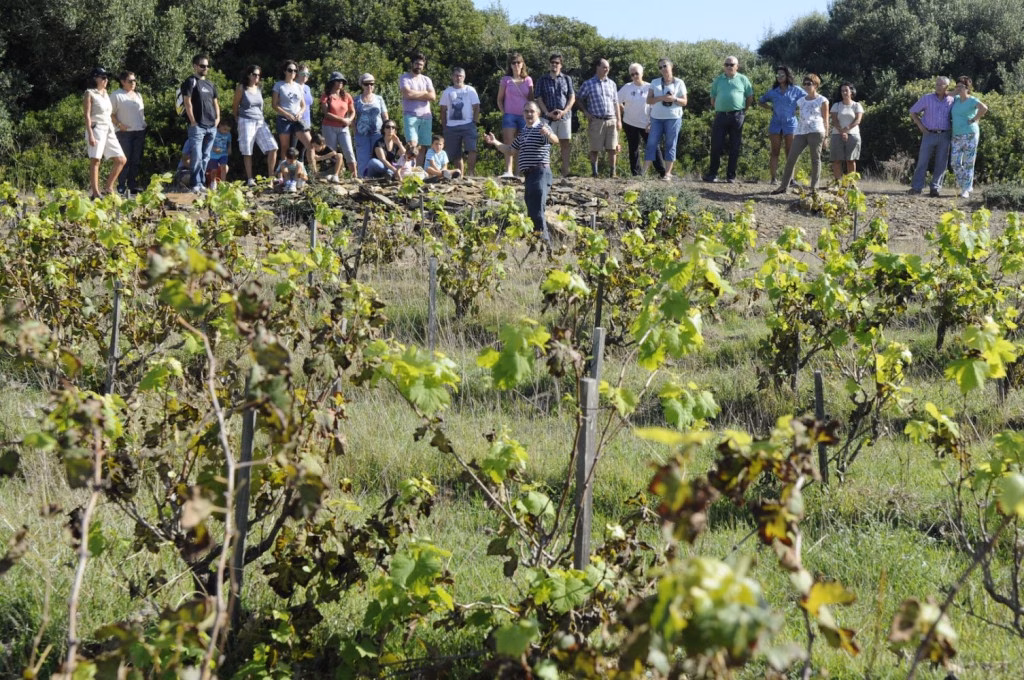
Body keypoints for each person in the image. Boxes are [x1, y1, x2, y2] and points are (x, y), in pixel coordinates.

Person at [484, 103, 559, 242]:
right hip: (530, 175)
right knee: (531, 210)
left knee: (536, 210)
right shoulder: (525, 131)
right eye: (526, 111)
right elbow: (511, 150)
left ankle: (544, 245)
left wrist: (548, 134)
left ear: (538, 113)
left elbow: (555, 140)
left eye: (532, 111)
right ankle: (537, 242)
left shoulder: (541, 127)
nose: (529, 114)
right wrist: (495, 142)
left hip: (540, 172)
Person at [772, 73, 829, 194]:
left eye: (809, 84)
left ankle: (814, 188)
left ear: (816, 85)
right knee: (791, 158)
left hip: (816, 131)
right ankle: (783, 186)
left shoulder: (822, 100)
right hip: (801, 131)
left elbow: (826, 119)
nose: (806, 86)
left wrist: (826, 137)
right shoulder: (801, 101)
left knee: (815, 159)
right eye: (805, 84)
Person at [704, 56, 753, 183]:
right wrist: (721, 108)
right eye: (727, 64)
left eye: (732, 64)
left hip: (737, 116)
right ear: (724, 66)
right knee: (716, 145)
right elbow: (713, 98)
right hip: (720, 115)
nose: (729, 67)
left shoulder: (743, 79)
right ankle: (712, 174)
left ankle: (731, 176)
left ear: (737, 66)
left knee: (735, 146)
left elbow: (749, 97)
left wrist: (742, 111)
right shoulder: (718, 80)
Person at [232, 64, 279, 187]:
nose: (256, 77)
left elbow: (261, 105)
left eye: (258, 75)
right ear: (249, 75)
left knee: (273, 147)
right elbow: (235, 105)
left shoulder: (259, 88)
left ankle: (271, 178)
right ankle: (250, 179)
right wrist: (237, 118)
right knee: (247, 150)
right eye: (254, 74)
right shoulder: (242, 87)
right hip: (246, 120)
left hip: (260, 120)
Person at [83, 67, 126, 199]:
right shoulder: (89, 93)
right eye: (103, 77)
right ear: (95, 78)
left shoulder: (105, 93)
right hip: (96, 128)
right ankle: (95, 193)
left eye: (106, 77)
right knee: (96, 160)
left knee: (121, 159)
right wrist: (90, 133)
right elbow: (87, 115)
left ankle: (108, 187)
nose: (106, 80)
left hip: (109, 128)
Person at [758, 66, 805, 183]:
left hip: (791, 124)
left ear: (787, 76)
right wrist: (770, 108)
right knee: (775, 151)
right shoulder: (773, 91)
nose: (779, 77)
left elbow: (808, 98)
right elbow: (761, 101)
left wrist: (799, 110)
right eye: (777, 75)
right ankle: (773, 178)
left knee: (790, 152)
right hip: (775, 124)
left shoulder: (796, 90)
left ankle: (791, 179)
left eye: (782, 75)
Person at [909, 76, 954, 197]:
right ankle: (916, 187)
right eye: (937, 84)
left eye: (941, 85)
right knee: (923, 161)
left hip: (945, 134)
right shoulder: (927, 98)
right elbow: (913, 111)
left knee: (941, 163)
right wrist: (920, 126)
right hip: (929, 134)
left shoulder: (951, 100)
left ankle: (935, 188)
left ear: (947, 87)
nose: (938, 87)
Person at [181, 54, 220, 194]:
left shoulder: (210, 84)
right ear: (195, 66)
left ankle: (201, 182)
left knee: (205, 157)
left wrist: (218, 119)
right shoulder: (190, 81)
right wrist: (192, 121)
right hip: (197, 126)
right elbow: (187, 101)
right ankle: (194, 183)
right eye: (202, 66)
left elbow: (215, 103)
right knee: (196, 155)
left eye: (207, 66)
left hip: (211, 126)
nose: (205, 68)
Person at [644, 58, 687, 180]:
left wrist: (674, 99)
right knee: (651, 143)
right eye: (660, 67)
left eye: (664, 66)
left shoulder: (679, 82)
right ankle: (644, 173)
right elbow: (649, 100)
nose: (663, 69)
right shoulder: (655, 82)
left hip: (673, 118)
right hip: (656, 118)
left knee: (670, 144)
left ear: (671, 66)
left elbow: (684, 102)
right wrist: (661, 97)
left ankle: (667, 173)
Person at [577, 58, 621, 178]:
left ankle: (613, 173)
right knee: (594, 148)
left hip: (611, 119)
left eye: (608, 67)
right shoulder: (588, 83)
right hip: (596, 119)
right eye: (604, 67)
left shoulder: (612, 84)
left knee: (612, 148)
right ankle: (595, 173)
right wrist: (586, 112)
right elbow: (578, 98)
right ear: (597, 67)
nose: (607, 69)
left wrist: (619, 120)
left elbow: (616, 102)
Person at [534, 53, 576, 177]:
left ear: (561, 65)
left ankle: (565, 172)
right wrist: (547, 112)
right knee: (545, 144)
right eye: (552, 62)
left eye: (557, 62)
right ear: (549, 64)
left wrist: (564, 111)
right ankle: (545, 171)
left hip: (564, 117)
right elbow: (538, 98)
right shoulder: (542, 79)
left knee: (565, 144)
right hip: (547, 117)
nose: (554, 64)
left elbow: (572, 97)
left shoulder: (567, 79)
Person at [618, 63, 661, 177]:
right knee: (633, 149)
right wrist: (622, 108)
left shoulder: (649, 86)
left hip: (646, 123)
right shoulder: (627, 87)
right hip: (630, 122)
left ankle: (663, 172)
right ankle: (636, 174)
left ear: (642, 73)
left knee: (653, 146)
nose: (635, 76)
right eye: (632, 74)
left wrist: (652, 121)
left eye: (636, 73)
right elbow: (616, 100)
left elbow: (655, 105)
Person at [950, 75, 988, 199]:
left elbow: (984, 108)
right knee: (955, 162)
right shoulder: (955, 99)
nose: (959, 89)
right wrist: (954, 91)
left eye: (961, 87)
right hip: (956, 134)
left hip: (970, 134)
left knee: (968, 163)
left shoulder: (972, 100)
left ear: (967, 88)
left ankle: (965, 189)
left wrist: (974, 119)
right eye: (957, 86)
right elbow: (945, 95)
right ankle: (966, 184)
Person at [497, 53, 534, 177]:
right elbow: (499, 99)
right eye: (514, 63)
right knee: (508, 143)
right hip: (510, 115)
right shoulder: (505, 80)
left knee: (522, 144)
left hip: (524, 116)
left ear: (522, 64)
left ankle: (519, 172)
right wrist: (504, 112)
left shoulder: (528, 80)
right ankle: (508, 171)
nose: (516, 65)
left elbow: (531, 99)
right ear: (510, 65)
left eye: (518, 62)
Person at [272, 60, 313, 169]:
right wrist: (286, 114)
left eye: (295, 70)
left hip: (297, 119)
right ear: (285, 71)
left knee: (310, 143)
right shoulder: (279, 85)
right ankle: (282, 173)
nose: (293, 72)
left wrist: (300, 113)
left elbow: (303, 105)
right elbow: (274, 105)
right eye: (290, 70)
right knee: (285, 147)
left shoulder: (298, 86)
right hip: (284, 119)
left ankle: (313, 172)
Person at [110, 70, 145, 194]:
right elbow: (110, 113)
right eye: (130, 81)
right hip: (124, 132)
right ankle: (121, 185)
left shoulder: (138, 95)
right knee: (125, 159)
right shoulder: (116, 95)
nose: (133, 83)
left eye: (134, 80)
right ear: (123, 82)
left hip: (139, 131)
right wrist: (119, 125)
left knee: (135, 160)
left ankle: (132, 185)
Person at [440, 67, 480, 176]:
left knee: (471, 149)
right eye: (456, 75)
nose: (458, 78)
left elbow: (476, 107)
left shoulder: (470, 90)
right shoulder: (447, 92)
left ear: (464, 77)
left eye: (460, 76)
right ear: (452, 77)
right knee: (456, 154)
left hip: (468, 124)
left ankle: (471, 172)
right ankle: (460, 175)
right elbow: (443, 110)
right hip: (451, 126)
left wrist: (474, 122)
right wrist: (445, 126)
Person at [399, 53, 435, 167]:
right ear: (412, 64)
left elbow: (433, 97)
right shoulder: (404, 77)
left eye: (421, 64)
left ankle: (418, 169)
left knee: (423, 146)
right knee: (412, 145)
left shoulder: (427, 80)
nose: (418, 66)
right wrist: (424, 93)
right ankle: (408, 168)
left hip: (426, 116)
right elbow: (408, 94)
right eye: (416, 64)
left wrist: (417, 94)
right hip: (411, 115)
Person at [320, 72, 356, 181]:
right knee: (331, 151)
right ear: (332, 82)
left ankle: (354, 176)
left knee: (349, 150)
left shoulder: (346, 96)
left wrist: (349, 119)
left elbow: (352, 111)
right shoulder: (326, 96)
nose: (340, 83)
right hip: (329, 127)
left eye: (342, 81)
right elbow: (326, 113)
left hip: (344, 127)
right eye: (338, 80)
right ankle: (334, 174)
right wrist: (342, 119)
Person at [353, 73, 389, 177]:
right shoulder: (356, 100)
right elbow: (352, 117)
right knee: (362, 158)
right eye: (366, 84)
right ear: (362, 85)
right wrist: (355, 132)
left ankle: (378, 178)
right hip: (362, 134)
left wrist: (387, 130)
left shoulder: (379, 99)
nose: (369, 86)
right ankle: (362, 179)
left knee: (379, 157)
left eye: (372, 84)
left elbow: (385, 116)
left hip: (378, 133)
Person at [830, 82, 864, 180]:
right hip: (837, 134)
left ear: (851, 92)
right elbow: (834, 120)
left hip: (853, 135)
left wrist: (846, 130)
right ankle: (837, 182)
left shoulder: (857, 105)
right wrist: (842, 132)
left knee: (851, 160)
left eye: (846, 90)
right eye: (842, 91)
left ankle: (850, 183)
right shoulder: (836, 105)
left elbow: (858, 120)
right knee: (836, 160)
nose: (844, 92)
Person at [206, 119, 232, 189]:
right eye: (225, 129)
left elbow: (229, 142)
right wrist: (214, 149)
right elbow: (208, 143)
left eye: (228, 130)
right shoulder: (214, 132)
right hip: (213, 155)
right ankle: (213, 182)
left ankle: (223, 183)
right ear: (220, 126)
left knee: (223, 167)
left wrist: (229, 148)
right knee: (214, 170)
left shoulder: (228, 134)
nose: (226, 132)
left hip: (223, 154)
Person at [296, 64, 313, 130]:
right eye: (303, 73)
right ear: (297, 74)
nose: (305, 75)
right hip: (296, 122)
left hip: (307, 122)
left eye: (307, 74)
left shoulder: (307, 88)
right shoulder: (293, 86)